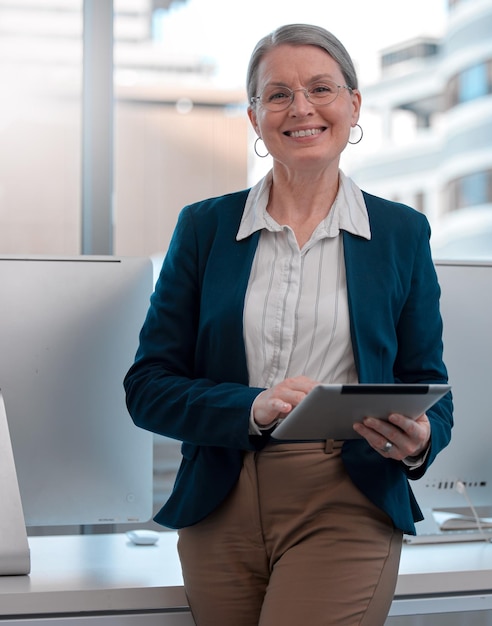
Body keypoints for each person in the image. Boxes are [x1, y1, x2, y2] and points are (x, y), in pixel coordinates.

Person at [124, 23, 453, 626]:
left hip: (345, 493)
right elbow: (147, 388)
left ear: (354, 104)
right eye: (278, 94)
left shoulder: (402, 234)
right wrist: (255, 405)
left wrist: (422, 440)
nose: (301, 108)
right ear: (255, 117)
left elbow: (429, 385)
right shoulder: (204, 229)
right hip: (220, 496)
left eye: (321, 88)